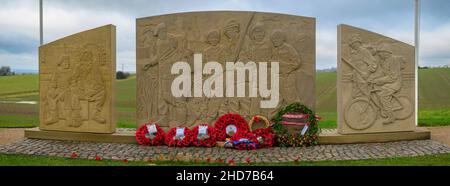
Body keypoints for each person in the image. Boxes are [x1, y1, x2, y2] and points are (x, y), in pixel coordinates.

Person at [371, 43, 403, 124]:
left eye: (380, 52)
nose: (379, 54)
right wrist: (372, 78)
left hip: (395, 83)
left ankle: (391, 117)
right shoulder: (383, 61)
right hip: (388, 81)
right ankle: (383, 109)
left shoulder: (393, 60)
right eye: (379, 53)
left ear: (386, 52)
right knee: (377, 89)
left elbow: (393, 77)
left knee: (383, 96)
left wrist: (379, 81)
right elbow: (382, 73)